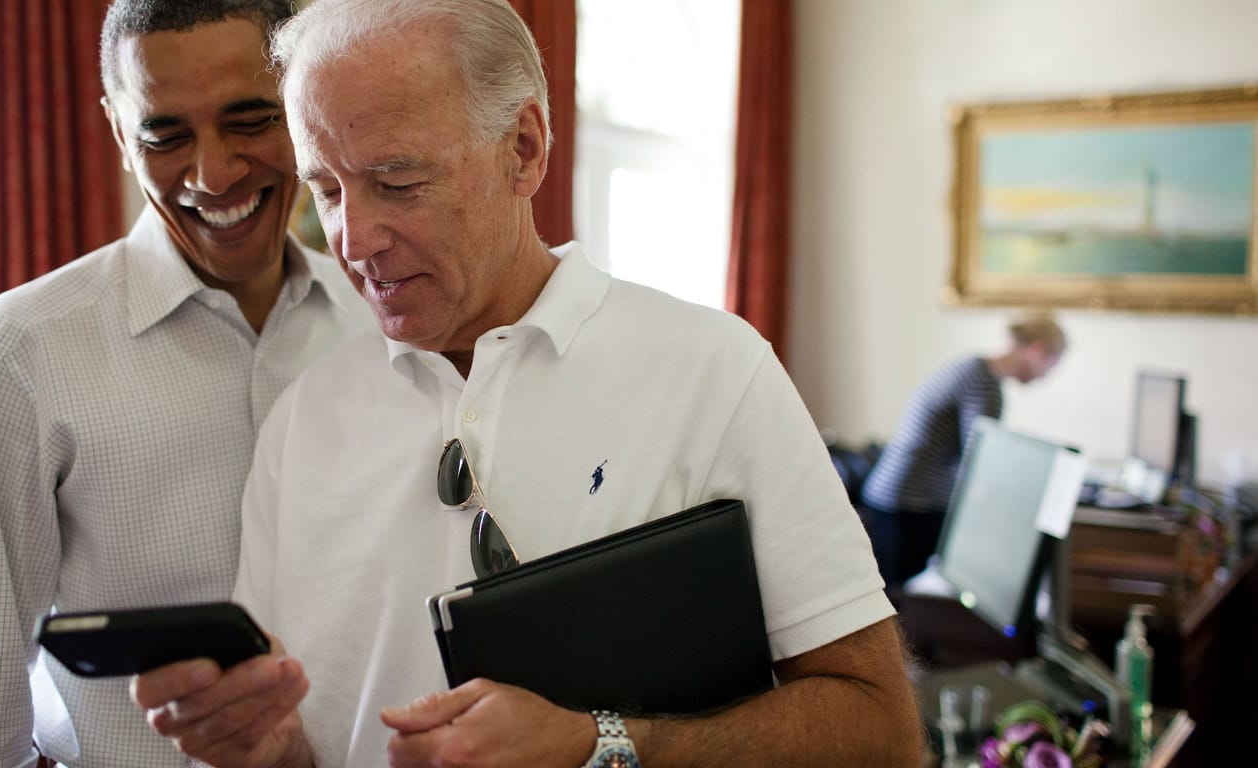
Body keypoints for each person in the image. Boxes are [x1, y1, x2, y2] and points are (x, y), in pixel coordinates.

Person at [129, 1, 925, 766]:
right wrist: (267, 755)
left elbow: (880, 732)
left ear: (525, 148)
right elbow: (306, 747)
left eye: (398, 181)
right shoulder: (304, 421)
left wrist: (603, 746)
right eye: (328, 189)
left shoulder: (714, 370)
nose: (354, 239)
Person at [0, 2, 372, 765]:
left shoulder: (382, 323)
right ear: (121, 134)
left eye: (249, 120)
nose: (213, 173)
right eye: (165, 134)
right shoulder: (24, 351)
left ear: (304, 110)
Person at [859, 313, 1067, 590]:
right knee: (901, 599)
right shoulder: (984, 384)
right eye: (1050, 365)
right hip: (908, 503)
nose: (1046, 377)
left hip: (895, 496)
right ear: (1036, 350)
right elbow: (982, 461)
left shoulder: (973, 369)